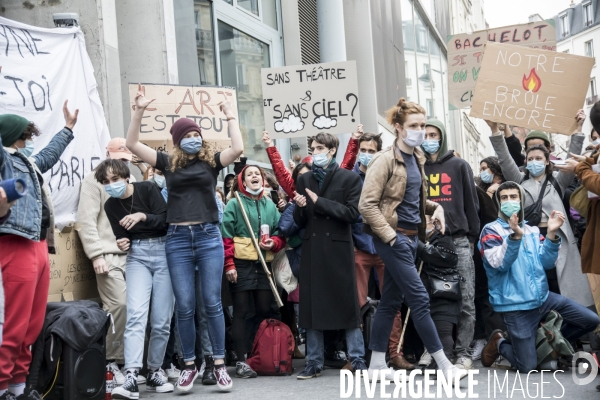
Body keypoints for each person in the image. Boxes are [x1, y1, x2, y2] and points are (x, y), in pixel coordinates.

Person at [125, 85, 243, 392]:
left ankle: (218, 364)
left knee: (212, 303)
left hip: (207, 237)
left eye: (196, 134)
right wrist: (137, 111)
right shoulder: (167, 163)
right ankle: (189, 365)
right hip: (177, 239)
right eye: (187, 135)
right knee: (186, 306)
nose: (193, 138)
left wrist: (231, 118)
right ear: (178, 141)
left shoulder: (212, 162)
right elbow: (132, 143)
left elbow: (238, 149)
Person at [359, 98, 467, 382]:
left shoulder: (416, 158)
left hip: (410, 237)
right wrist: (391, 237)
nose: (420, 131)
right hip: (395, 240)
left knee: (390, 301)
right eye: (414, 126)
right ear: (398, 128)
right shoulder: (383, 160)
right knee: (419, 297)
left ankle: (376, 366)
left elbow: (412, 199)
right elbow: (366, 205)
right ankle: (445, 365)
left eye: (423, 125)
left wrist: (436, 207)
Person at [0, 103, 79, 400]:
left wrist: (68, 129)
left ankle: (18, 389)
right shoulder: (4, 161)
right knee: (12, 324)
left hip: (38, 246)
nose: (27, 142)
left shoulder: (26, 161)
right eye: (23, 136)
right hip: (14, 245)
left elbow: (48, 155)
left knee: (31, 326)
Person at [479, 181, 600, 372]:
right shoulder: (491, 230)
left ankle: (547, 344)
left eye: (513, 197)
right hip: (515, 305)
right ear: (498, 202)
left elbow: (547, 263)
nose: (509, 201)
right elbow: (499, 264)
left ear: (521, 200)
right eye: (504, 198)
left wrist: (551, 234)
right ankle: (500, 343)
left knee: (590, 320)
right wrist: (514, 238)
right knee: (528, 366)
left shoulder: (532, 230)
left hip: (543, 299)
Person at [486, 120, 593, 309]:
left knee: (562, 287)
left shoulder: (557, 182)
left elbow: (570, 159)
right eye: (530, 158)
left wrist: (577, 130)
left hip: (557, 239)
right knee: (538, 283)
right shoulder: (519, 181)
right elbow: (504, 158)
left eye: (539, 158)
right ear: (525, 162)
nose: (534, 162)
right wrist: (495, 130)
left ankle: (568, 329)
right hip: (530, 239)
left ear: (547, 161)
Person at [95, 159, 175, 398]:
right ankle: (131, 374)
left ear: (126, 177)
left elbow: (165, 221)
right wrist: (122, 241)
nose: (112, 185)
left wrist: (142, 216)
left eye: (115, 179)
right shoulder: (111, 206)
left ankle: (154, 371)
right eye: (106, 182)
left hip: (163, 252)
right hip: (137, 256)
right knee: (135, 315)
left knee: (161, 320)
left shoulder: (148, 189)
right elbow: (122, 236)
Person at [292, 132, 368, 379]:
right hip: (313, 249)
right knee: (312, 307)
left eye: (320, 148)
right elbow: (299, 220)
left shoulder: (349, 178)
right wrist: (301, 208)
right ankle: (314, 362)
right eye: (313, 148)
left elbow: (352, 214)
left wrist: (320, 202)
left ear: (333, 150)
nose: (316, 152)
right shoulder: (304, 180)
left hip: (338, 249)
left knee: (347, 304)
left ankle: (357, 359)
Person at [77, 137, 138, 385]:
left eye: (126, 161)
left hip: (134, 255)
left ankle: (133, 364)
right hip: (108, 256)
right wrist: (96, 255)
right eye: (118, 158)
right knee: (119, 306)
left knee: (136, 310)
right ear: (107, 154)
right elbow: (86, 220)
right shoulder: (94, 180)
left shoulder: (133, 180)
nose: (122, 164)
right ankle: (112, 362)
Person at [421, 118, 480, 370]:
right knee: (429, 298)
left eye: (434, 134)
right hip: (428, 240)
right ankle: (433, 350)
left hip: (458, 240)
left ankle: (463, 352)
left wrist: (470, 237)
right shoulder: (416, 166)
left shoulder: (459, 165)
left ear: (442, 136)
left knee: (466, 299)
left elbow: (471, 203)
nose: (429, 139)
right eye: (425, 134)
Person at [221, 165, 286, 378]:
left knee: (264, 310)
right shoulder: (234, 203)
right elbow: (226, 235)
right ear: (243, 181)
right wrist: (229, 264)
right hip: (241, 263)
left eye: (257, 173)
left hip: (264, 264)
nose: (254, 176)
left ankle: (257, 356)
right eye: (249, 175)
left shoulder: (270, 204)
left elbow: (279, 232)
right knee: (241, 311)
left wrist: (274, 243)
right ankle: (241, 359)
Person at [470, 158, 506, 362]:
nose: (482, 172)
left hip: (486, 249)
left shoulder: (484, 192)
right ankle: (482, 339)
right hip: (471, 251)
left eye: (486, 168)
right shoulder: (478, 189)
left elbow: (491, 221)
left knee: (486, 297)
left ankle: (497, 340)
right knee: (474, 298)